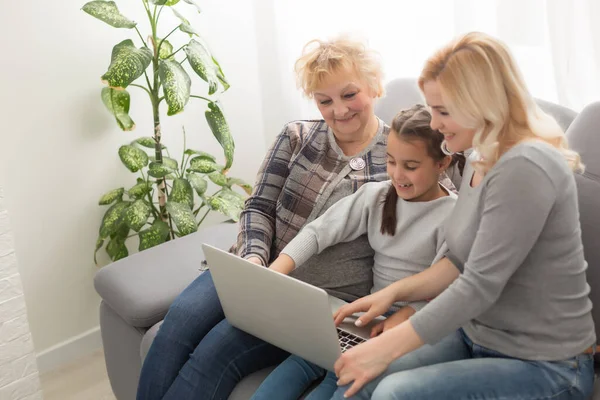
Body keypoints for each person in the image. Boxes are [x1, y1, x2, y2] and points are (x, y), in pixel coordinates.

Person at [331, 31, 596, 400]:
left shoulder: (527, 166)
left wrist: (386, 348)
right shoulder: (478, 157)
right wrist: (392, 293)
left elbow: (479, 285)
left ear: (481, 105)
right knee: (353, 381)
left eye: (443, 111)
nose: (434, 123)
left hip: (546, 364)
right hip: (474, 334)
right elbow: (458, 260)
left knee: (393, 392)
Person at [136, 36, 396, 400]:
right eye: (325, 100)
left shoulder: (401, 153)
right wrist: (255, 261)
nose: (339, 111)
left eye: (350, 95)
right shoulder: (297, 136)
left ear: (374, 86)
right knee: (178, 322)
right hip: (252, 268)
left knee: (215, 351)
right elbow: (257, 207)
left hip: (315, 299)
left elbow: (436, 214)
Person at [249, 105, 462, 400]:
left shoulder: (455, 215)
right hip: (362, 319)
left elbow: (448, 293)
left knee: (339, 384)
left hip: (405, 328)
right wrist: (276, 272)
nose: (398, 175)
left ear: (442, 163)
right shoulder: (377, 195)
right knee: (288, 373)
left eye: (410, 166)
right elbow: (318, 232)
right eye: (390, 162)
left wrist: (402, 319)